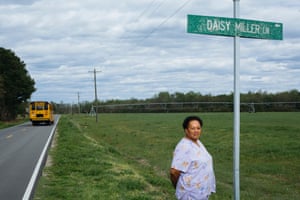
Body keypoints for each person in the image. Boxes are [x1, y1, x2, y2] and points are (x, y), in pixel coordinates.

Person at [170, 116, 216, 200]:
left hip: (201, 193)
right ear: (186, 130)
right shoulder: (184, 147)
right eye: (192, 128)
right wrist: (179, 186)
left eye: (198, 128)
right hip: (191, 195)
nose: (196, 131)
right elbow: (174, 172)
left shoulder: (197, 142)